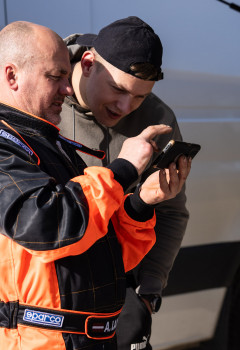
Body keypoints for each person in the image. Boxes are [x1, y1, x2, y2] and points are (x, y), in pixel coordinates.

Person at [0, 21, 191, 350]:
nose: (66, 88)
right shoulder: (7, 144)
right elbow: (48, 225)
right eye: (55, 77)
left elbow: (101, 245)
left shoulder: (49, 141)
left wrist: (142, 203)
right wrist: (122, 170)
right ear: (12, 76)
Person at [59, 16, 189, 349]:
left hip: (120, 297)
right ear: (88, 63)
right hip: (47, 302)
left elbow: (172, 212)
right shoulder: (44, 97)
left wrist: (147, 292)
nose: (125, 107)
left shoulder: (158, 120)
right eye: (117, 89)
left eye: (139, 97)